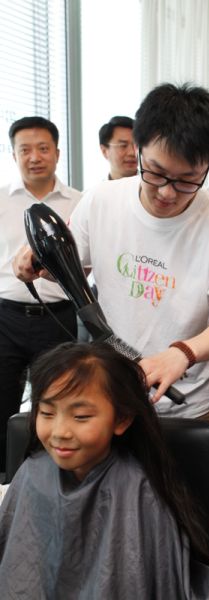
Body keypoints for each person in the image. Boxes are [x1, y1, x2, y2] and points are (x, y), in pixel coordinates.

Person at [13, 83, 209, 420]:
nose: (167, 193)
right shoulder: (101, 200)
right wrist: (38, 263)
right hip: (110, 392)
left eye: (187, 180)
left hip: (186, 404)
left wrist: (182, 354)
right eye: (156, 173)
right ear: (137, 148)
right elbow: (72, 270)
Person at [0, 341, 209, 598]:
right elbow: (19, 568)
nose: (60, 432)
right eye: (47, 413)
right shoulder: (33, 472)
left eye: (81, 417)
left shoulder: (137, 489)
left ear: (121, 419)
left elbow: (131, 582)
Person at [0, 116, 81, 471]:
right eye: (25, 150)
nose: (34, 157)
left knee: (56, 402)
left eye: (43, 148)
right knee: (3, 405)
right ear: (14, 155)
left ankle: (47, 474)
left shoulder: (80, 202)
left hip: (57, 317)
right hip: (5, 318)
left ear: (57, 153)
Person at [99, 115, 138, 179]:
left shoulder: (153, 184)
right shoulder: (98, 186)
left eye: (136, 146)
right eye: (123, 146)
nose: (132, 153)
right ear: (104, 151)